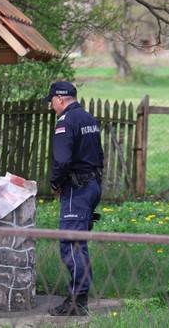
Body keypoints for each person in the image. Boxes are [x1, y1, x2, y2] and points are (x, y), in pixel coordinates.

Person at [42, 81, 104, 316]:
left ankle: (78, 301)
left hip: (76, 189)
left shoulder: (65, 122)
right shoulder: (89, 118)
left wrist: (56, 183)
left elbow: (63, 160)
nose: (51, 106)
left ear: (60, 99)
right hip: (92, 185)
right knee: (79, 241)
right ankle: (79, 296)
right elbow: (99, 155)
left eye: (52, 101)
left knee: (72, 243)